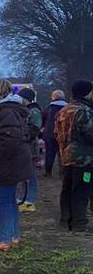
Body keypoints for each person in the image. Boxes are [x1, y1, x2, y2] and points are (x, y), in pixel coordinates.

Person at [0, 79, 33, 251]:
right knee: (9, 200)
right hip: (12, 162)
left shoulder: (6, 111)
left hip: (7, 164)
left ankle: (4, 239)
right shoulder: (7, 109)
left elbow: (9, 139)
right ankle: (13, 234)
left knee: (3, 200)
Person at [55, 80, 93, 233]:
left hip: (66, 156)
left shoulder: (63, 110)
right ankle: (79, 223)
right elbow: (90, 134)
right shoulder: (85, 111)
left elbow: (56, 133)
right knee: (82, 189)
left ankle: (66, 220)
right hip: (84, 159)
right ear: (87, 92)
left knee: (67, 188)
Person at [18, 87, 42, 212]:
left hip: (31, 147)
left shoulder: (34, 111)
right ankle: (23, 198)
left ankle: (30, 200)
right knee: (24, 175)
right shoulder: (25, 110)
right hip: (25, 146)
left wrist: (23, 135)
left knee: (31, 175)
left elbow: (35, 128)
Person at [42, 90, 67, 177]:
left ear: (53, 97)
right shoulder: (67, 108)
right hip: (63, 134)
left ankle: (48, 172)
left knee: (49, 153)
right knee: (62, 154)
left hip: (49, 134)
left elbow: (43, 119)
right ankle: (62, 173)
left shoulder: (49, 108)